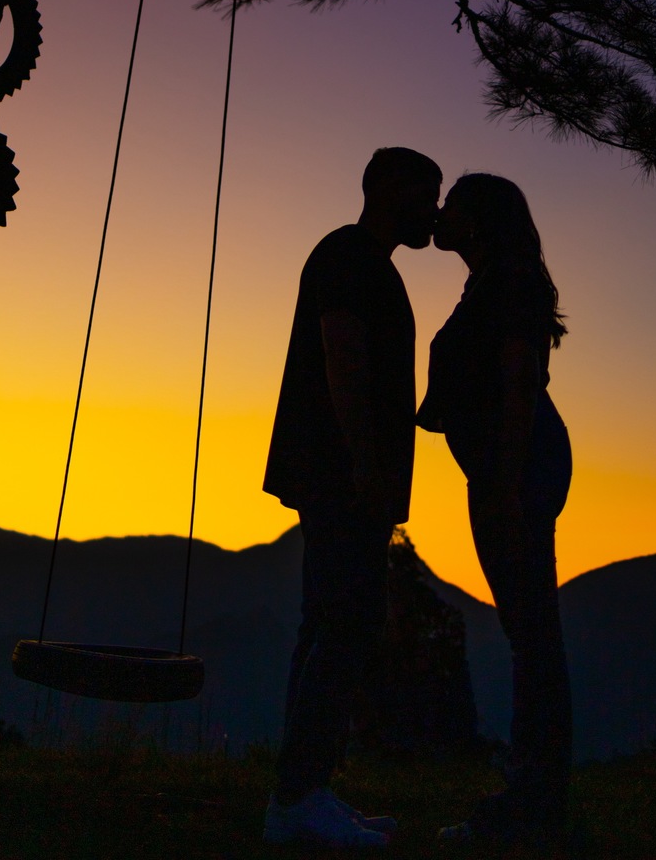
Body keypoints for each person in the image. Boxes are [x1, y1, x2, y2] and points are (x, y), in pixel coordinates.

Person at [261, 146, 442, 848]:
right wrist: (366, 465)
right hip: (342, 475)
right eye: (427, 194)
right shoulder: (349, 256)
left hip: (343, 474)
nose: (434, 209)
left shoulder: (371, 264)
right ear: (390, 189)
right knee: (346, 623)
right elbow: (341, 353)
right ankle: (298, 796)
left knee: (327, 624)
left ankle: (304, 790)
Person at [417, 173, 572, 852]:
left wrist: (505, 488)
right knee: (526, 624)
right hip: (506, 468)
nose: (439, 212)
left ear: (476, 219)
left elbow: (518, 386)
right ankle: (536, 788)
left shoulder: (509, 279)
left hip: (518, 466)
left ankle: (532, 796)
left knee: (530, 628)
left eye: (450, 203)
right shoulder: (490, 280)